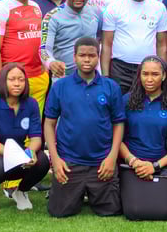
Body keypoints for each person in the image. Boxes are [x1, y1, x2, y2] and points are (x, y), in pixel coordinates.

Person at [44, 37, 126, 218]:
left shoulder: (111, 87)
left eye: (92, 55)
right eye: (82, 55)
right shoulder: (61, 86)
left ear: (98, 57)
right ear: (74, 57)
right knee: (59, 211)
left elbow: (118, 123)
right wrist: (55, 160)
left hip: (101, 162)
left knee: (110, 210)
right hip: (70, 162)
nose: (87, 59)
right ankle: (78, 193)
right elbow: (49, 124)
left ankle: (91, 192)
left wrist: (112, 158)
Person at [118, 56, 167, 220]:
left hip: (161, 165)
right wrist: (134, 161)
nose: (149, 79)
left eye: (155, 74)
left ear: (164, 76)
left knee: (165, 211)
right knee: (133, 210)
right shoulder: (126, 100)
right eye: (145, 74)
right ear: (139, 75)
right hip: (130, 164)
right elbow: (117, 138)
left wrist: (155, 165)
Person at [0, 63, 51, 213]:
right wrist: (16, 155)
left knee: (42, 161)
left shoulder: (31, 104)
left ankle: (21, 191)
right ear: (3, 81)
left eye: (21, 79)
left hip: (18, 152)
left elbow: (36, 138)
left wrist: (30, 152)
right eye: (12, 79)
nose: (17, 83)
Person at [0, 0, 48, 116]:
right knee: (12, 125)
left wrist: (45, 71)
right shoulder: (0, 9)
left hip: (39, 78)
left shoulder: (36, 7)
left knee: (34, 125)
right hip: (15, 81)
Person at [101, 0, 167, 93]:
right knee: (118, 103)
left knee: (146, 103)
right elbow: (106, 44)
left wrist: (164, 74)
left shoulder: (159, 8)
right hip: (119, 69)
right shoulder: (114, 8)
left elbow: (162, 45)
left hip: (149, 69)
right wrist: (105, 76)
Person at [40, 0, 102, 79]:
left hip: (91, 76)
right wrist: (51, 62)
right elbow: (44, 49)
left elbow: (101, 39)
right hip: (64, 76)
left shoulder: (96, 11)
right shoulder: (52, 16)